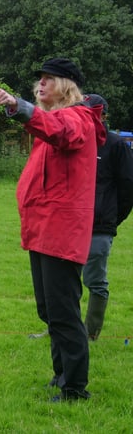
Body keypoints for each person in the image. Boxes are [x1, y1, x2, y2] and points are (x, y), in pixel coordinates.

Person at [0, 57, 106, 402]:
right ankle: (61, 375)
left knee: (64, 312)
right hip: (43, 230)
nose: (40, 85)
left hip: (61, 232)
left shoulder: (77, 119)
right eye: (39, 79)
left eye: (49, 79)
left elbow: (59, 132)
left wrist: (17, 106)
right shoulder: (53, 120)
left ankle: (75, 388)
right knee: (49, 310)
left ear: (67, 85)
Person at [80, 94, 133, 340]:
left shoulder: (116, 145)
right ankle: (59, 329)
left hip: (100, 227)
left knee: (95, 280)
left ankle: (90, 334)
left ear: (102, 115)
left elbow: (127, 189)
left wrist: (110, 219)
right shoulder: (75, 142)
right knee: (63, 282)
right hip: (70, 226)